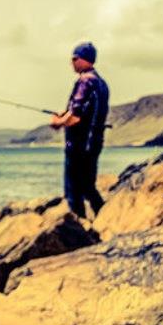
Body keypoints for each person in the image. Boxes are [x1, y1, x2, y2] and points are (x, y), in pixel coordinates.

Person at [50, 42, 110, 219]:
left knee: (73, 190)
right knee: (88, 187)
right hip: (93, 142)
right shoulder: (101, 82)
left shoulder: (85, 81)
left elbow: (75, 117)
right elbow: (85, 110)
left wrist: (58, 122)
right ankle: (104, 218)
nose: (72, 63)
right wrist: (65, 114)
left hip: (79, 145)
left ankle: (79, 228)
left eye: (74, 59)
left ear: (84, 60)